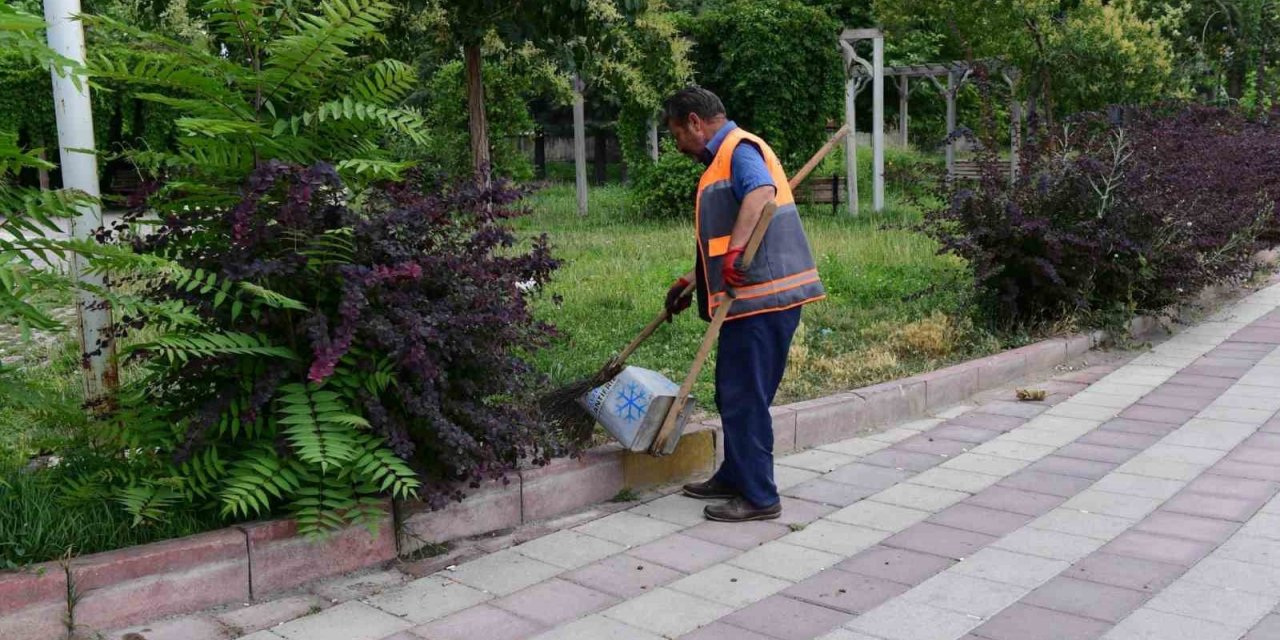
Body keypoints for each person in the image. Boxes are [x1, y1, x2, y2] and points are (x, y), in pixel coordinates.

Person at [661, 87, 825, 522]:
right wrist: (693, 282)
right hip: (746, 299)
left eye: (678, 133)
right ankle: (735, 474)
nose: (678, 145)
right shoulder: (722, 158)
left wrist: (734, 254)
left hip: (763, 298)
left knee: (744, 396)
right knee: (733, 392)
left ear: (695, 121)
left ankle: (758, 496)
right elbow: (725, 231)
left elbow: (760, 194)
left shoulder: (738, 150)